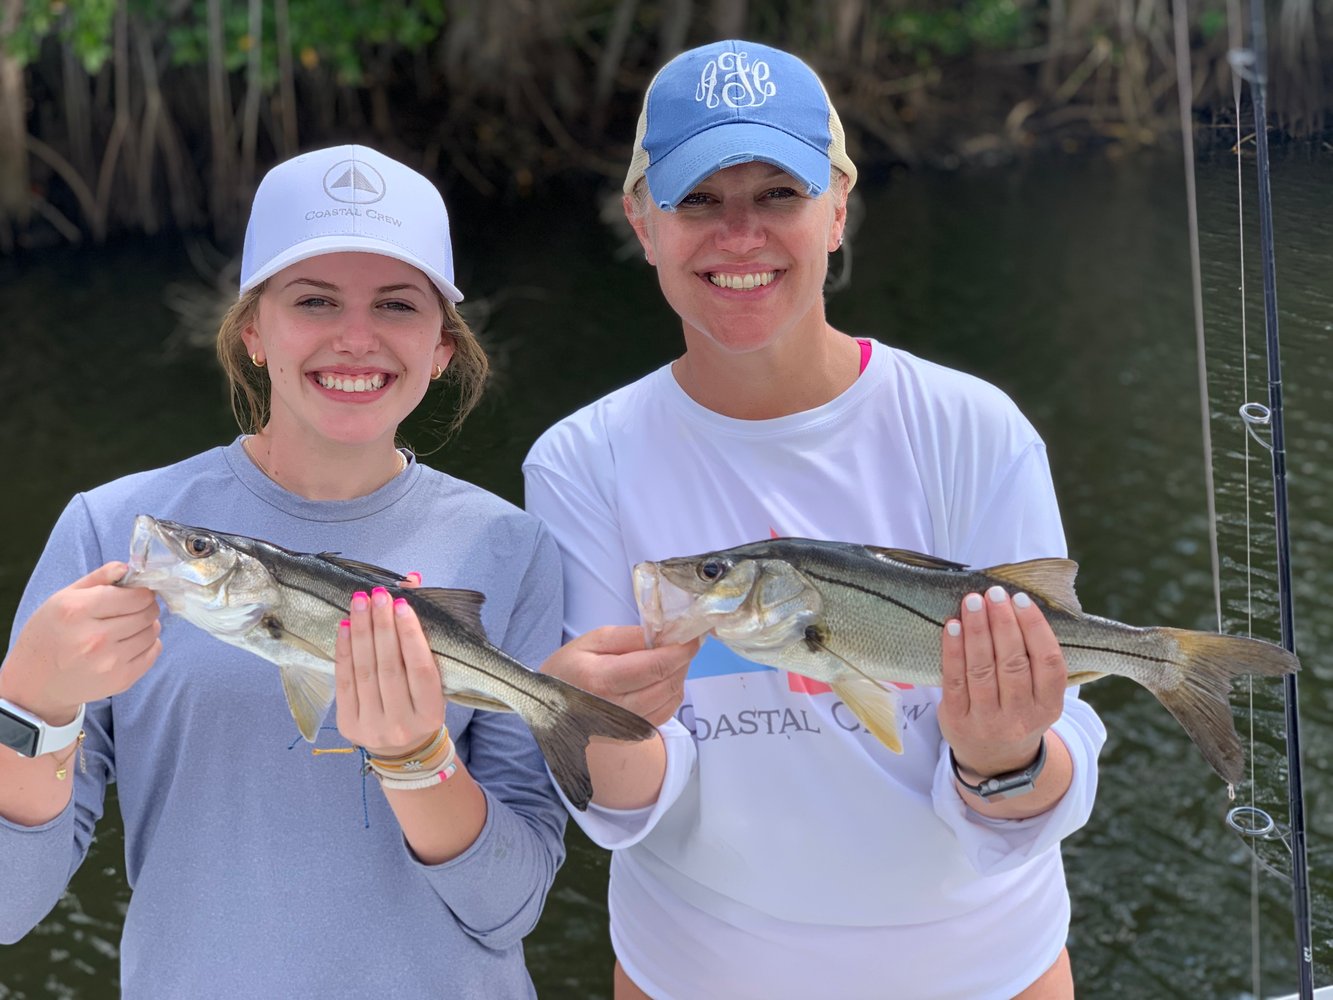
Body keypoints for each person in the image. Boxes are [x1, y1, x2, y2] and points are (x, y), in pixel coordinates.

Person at [524, 40, 1108, 1000]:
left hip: (987, 973)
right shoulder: (580, 461)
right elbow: (627, 808)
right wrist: (595, 730)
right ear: (641, 221)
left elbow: (1050, 780)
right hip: (691, 976)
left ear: (837, 207)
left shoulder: (972, 427)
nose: (739, 235)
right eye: (698, 200)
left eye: (779, 196)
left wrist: (1002, 755)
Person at [0, 145, 568, 997]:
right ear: (253, 330)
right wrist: (29, 704)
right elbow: (11, 907)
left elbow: (511, 908)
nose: (355, 337)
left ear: (442, 346)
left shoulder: (511, 546)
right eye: (313, 300)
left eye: (396, 304)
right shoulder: (111, 531)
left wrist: (418, 759)